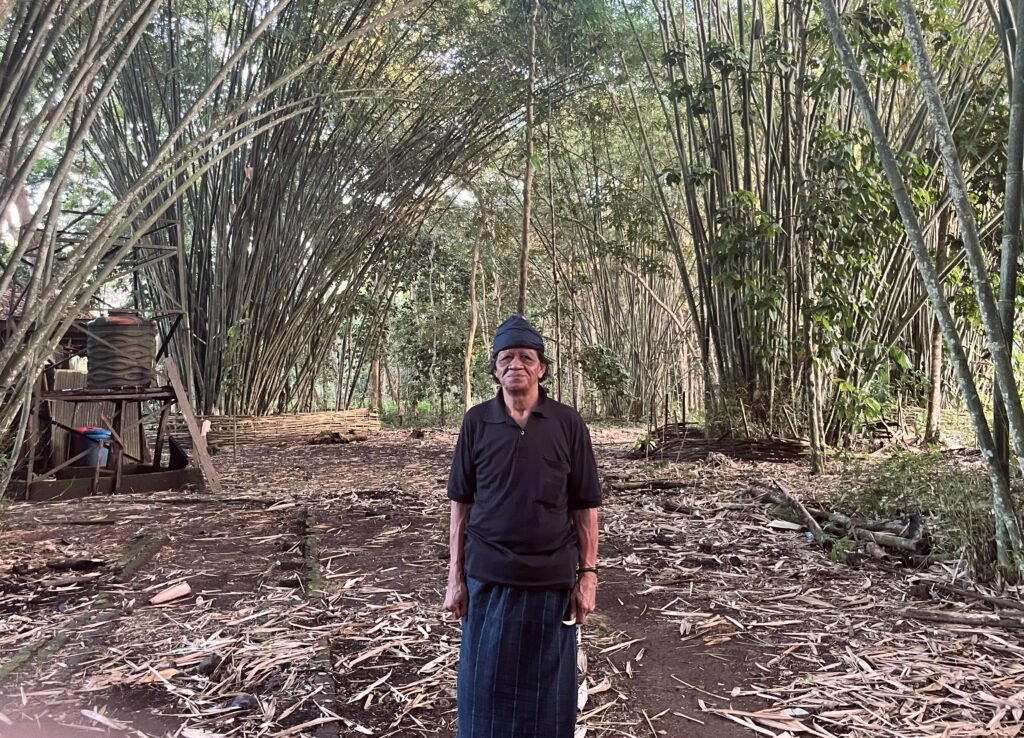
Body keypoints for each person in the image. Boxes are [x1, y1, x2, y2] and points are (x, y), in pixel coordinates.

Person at [444, 314, 601, 738]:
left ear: (542, 368)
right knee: (484, 689)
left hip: (551, 579)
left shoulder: (568, 424)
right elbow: (462, 504)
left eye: (526, 357)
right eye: (506, 357)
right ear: (494, 370)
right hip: (489, 578)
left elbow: (585, 505)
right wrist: (455, 576)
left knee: (547, 697)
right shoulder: (477, 422)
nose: (516, 364)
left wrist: (587, 576)